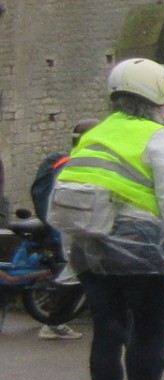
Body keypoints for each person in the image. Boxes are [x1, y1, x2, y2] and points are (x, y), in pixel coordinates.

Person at [48, 62, 164, 380]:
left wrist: (70, 254)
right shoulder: (157, 136)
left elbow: (71, 190)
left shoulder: (94, 134)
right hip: (137, 243)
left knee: (108, 332)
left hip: (87, 241)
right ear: (155, 94)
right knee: (150, 328)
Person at [27, 118, 100, 340]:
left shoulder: (77, 162)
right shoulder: (71, 165)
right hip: (69, 230)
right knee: (76, 274)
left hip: (72, 228)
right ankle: (54, 324)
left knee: (80, 273)